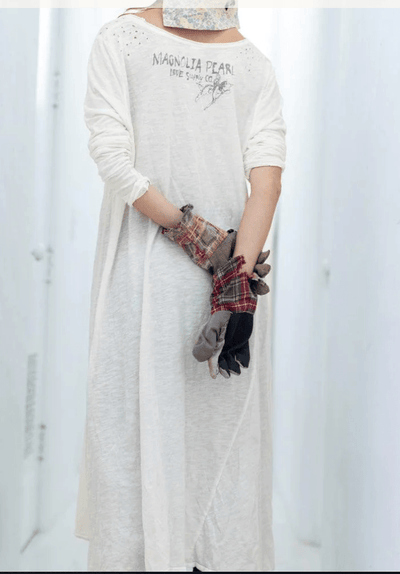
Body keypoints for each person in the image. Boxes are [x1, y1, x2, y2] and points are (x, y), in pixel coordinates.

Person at [74, 1, 287, 571]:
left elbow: (114, 161)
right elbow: (267, 183)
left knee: (136, 443)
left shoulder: (121, 39)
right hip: (231, 291)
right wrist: (234, 278)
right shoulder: (255, 63)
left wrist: (195, 237)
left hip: (146, 281)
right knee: (222, 453)